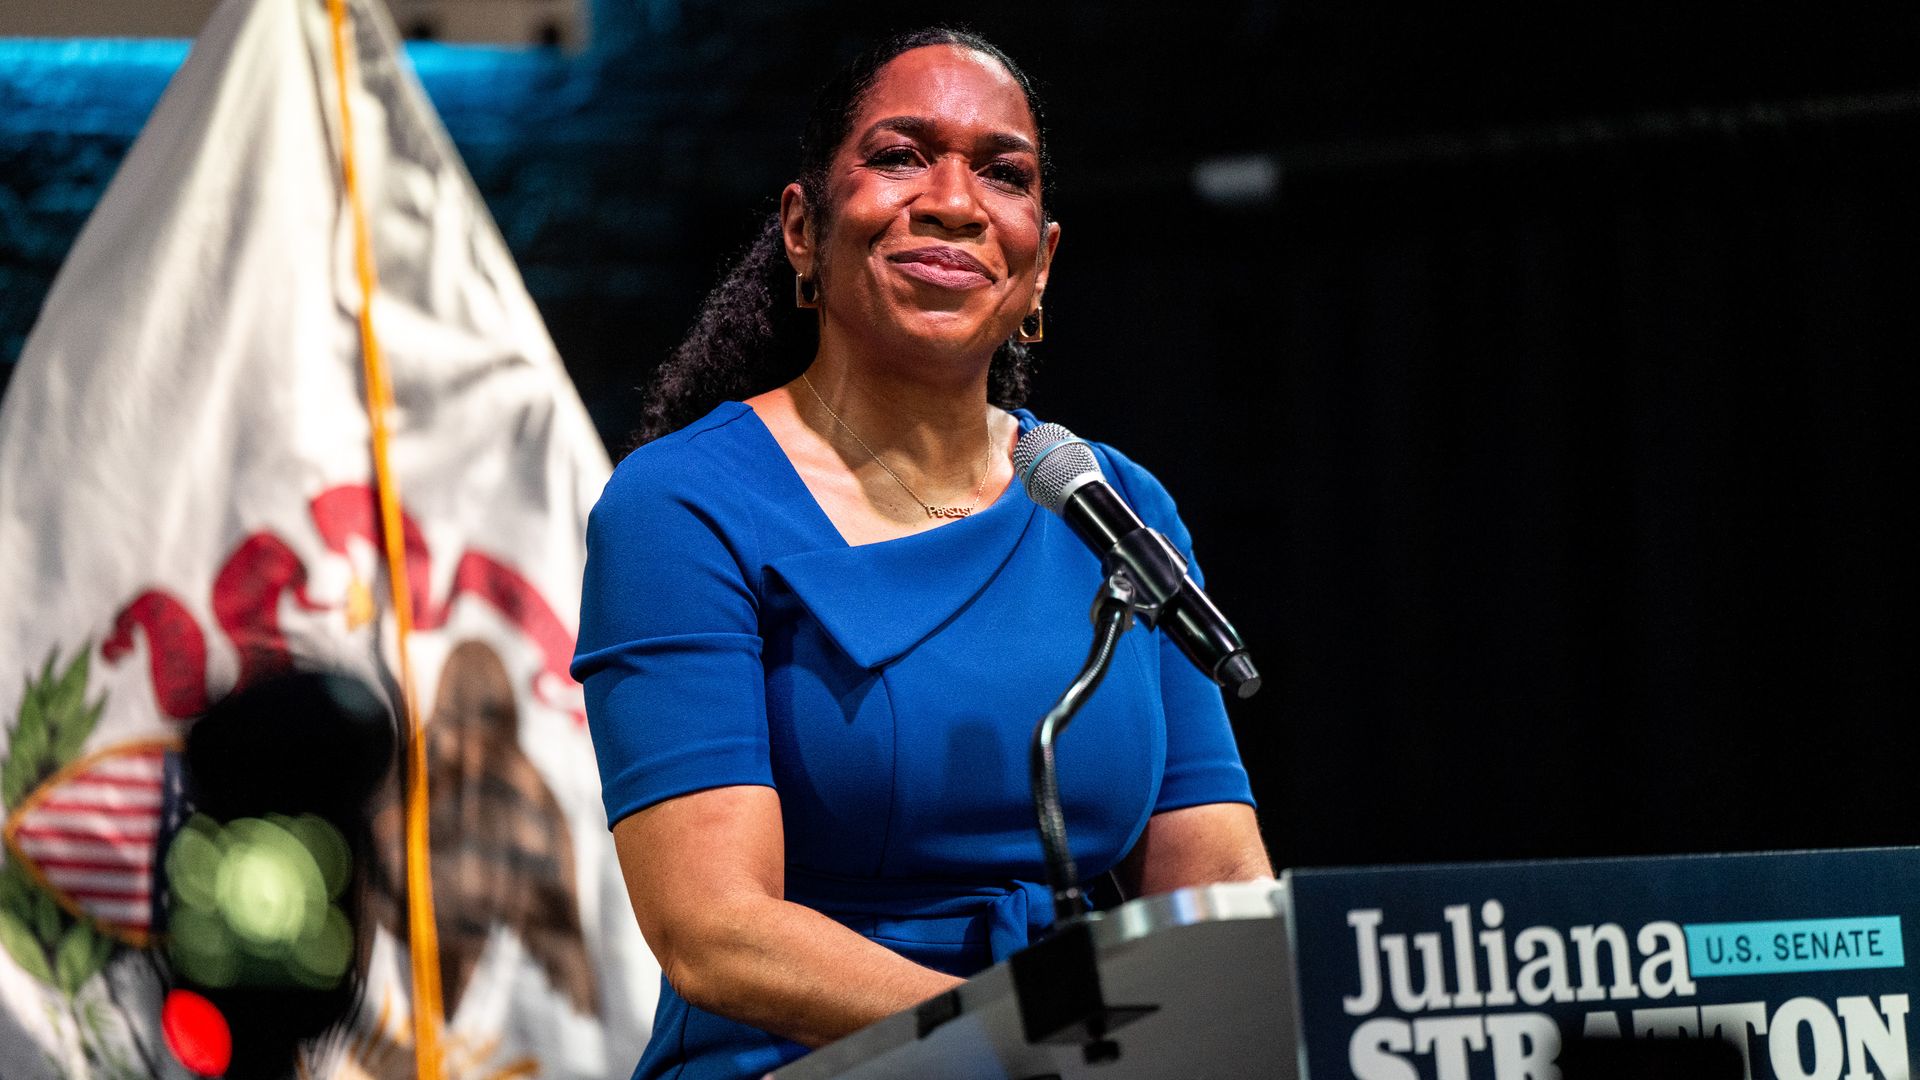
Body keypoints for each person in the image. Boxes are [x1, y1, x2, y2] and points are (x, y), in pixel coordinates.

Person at [572, 27, 1271, 1080]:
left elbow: (1217, 885)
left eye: (1004, 173)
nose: (953, 199)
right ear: (802, 230)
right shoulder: (684, 505)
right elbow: (715, 932)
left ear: (1040, 262)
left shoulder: (1117, 507)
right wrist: (1047, 1041)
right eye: (901, 156)